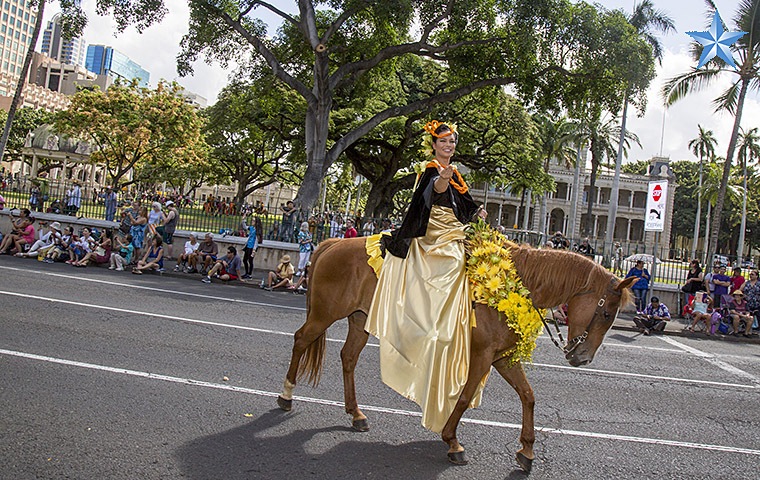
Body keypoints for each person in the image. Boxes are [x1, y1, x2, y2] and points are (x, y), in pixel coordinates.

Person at [365, 120, 483, 434]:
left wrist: (477, 213)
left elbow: (465, 204)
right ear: (433, 144)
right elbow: (433, 193)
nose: (449, 146)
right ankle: (438, 327)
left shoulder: (454, 173)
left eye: (453, 142)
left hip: (454, 230)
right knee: (455, 262)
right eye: (444, 141)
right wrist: (443, 180)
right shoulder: (432, 169)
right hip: (435, 234)